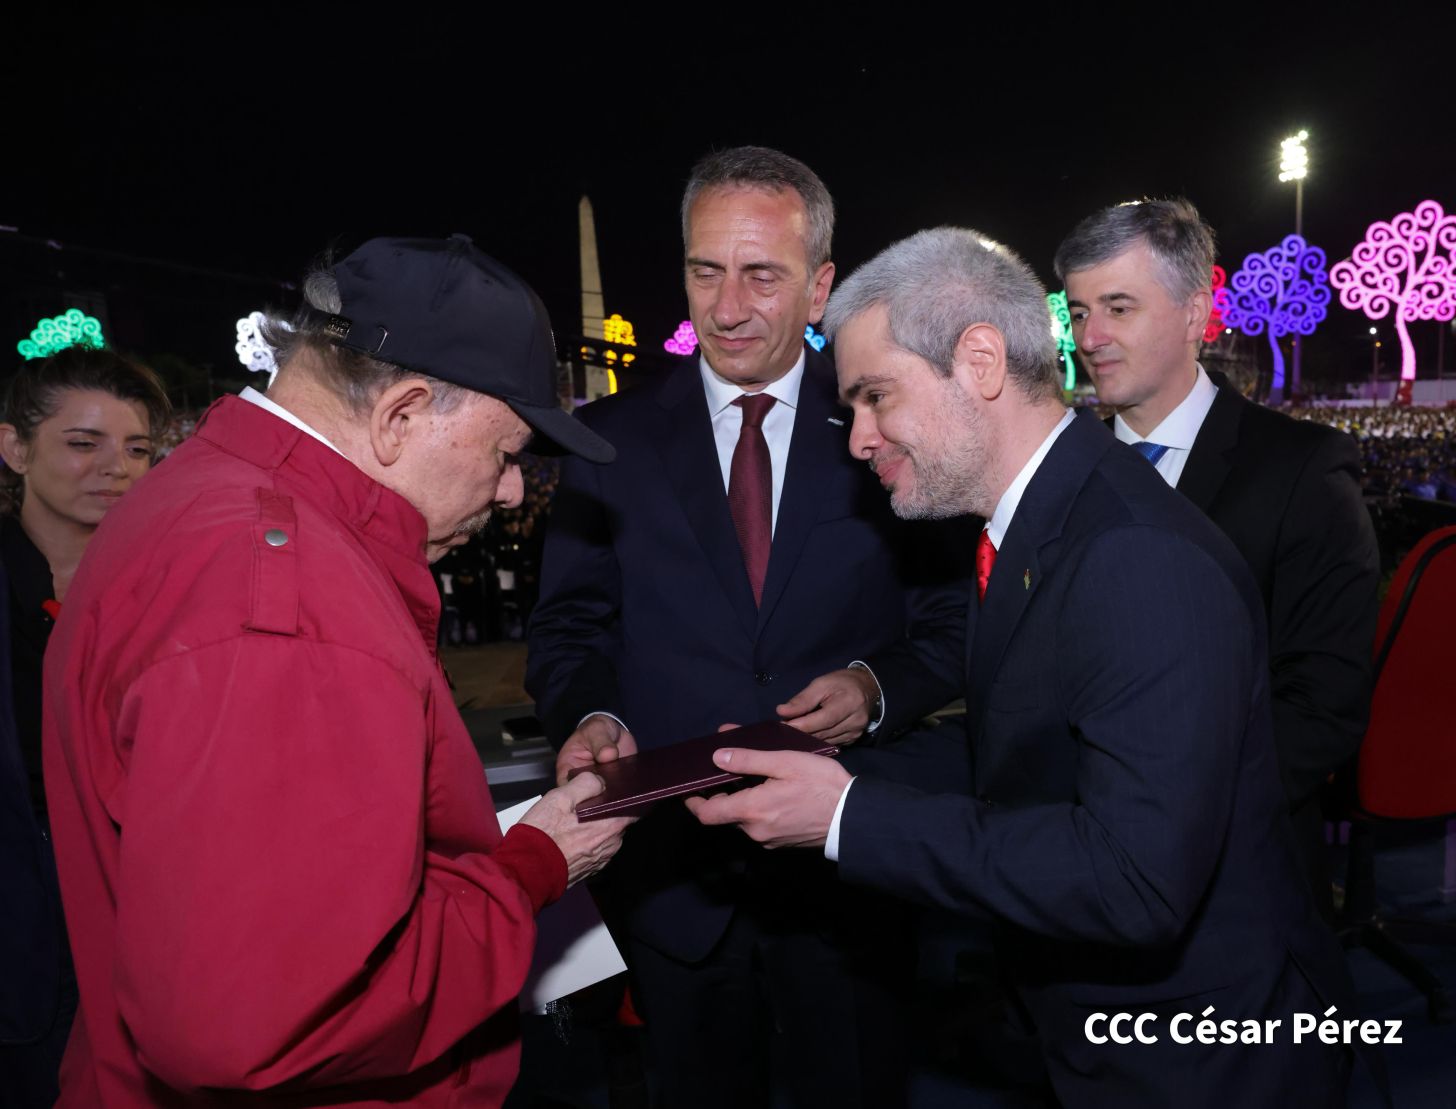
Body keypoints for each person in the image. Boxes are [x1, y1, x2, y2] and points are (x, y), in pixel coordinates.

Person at [687, 227, 1355, 1107]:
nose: (859, 439)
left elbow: (1134, 879)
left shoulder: (1131, 554)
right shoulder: (1037, 521)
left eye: (876, 397)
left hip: (1194, 1054)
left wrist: (848, 814)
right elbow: (1022, 752)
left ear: (980, 360)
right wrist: (827, 770)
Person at [42, 235, 632, 1107]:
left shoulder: (203, 495)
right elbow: (259, 1021)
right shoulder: (291, 605)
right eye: (505, 454)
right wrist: (535, 865)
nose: (511, 493)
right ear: (402, 414)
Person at [527, 148, 968, 1109]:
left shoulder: (888, 430)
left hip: (847, 882)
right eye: (704, 271)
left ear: (819, 289)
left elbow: (949, 625)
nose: (726, 307)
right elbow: (568, 627)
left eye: (761, 275)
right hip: (674, 892)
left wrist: (873, 687)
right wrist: (591, 710)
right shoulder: (610, 441)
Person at [1054, 198, 1380, 916]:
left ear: (1196, 311)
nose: (1091, 337)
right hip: (1067, 858)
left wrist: (1171, 811)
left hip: (1234, 873)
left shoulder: (1302, 471)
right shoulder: (1060, 470)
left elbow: (1322, 702)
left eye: (1118, 307)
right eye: (1079, 313)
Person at [0, 345, 170, 1107]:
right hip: (22, 936)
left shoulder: (165, 581)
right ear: (13, 447)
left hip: (144, 910)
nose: (117, 466)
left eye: (137, 448)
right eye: (82, 442)